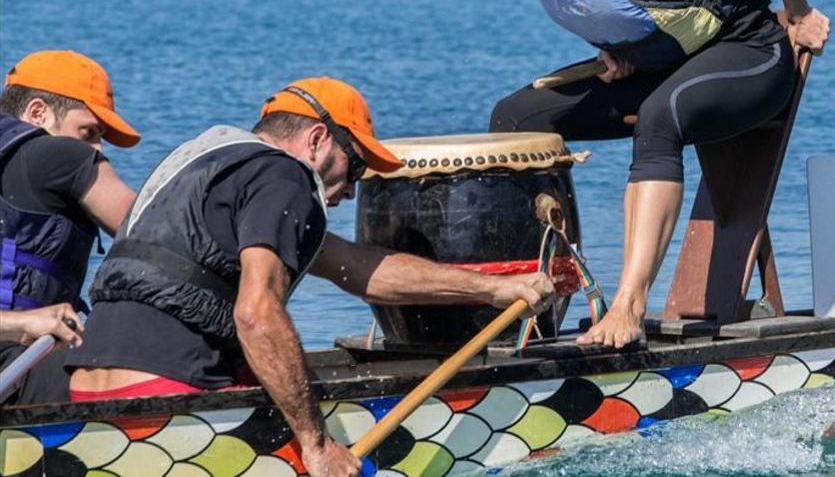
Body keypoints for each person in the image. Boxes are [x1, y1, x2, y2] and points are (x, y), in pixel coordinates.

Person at [451, 0, 831, 349]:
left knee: (659, 117)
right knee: (516, 120)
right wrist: (620, 50)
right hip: (671, 68)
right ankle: (538, 309)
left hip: (752, 56)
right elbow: (631, 7)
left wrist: (799, 11)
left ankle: (628, 309)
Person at [67, 77, 555, 477]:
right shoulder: (286, 177)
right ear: (318, 140)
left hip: (86, 402)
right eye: (356, 165)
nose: (351, 187)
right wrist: (316, 443)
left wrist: (494, 288)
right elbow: (257, 314)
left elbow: (361, 269)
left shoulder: (208, 163)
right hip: (166, 405)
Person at [0, 50, 140, 403]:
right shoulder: (58, 155)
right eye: (89, 131)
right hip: (15, 368)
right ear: (37, 113)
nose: (97, 148)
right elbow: (156, 234)